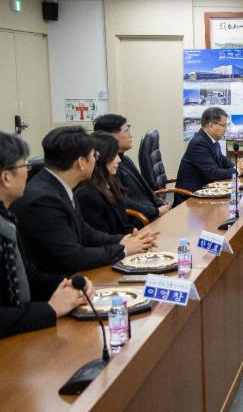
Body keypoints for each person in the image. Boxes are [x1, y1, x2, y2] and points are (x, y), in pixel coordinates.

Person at [12, 127, 157, 274]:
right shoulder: (44, 200)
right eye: (95, 155)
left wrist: (124, 239)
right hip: (58, 281)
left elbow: (85, 232)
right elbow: (74, 257)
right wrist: (124, 249)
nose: (96, 160)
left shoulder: (60, 185)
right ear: (81, 162)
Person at [0, 131, 94, 338]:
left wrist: (67, 286)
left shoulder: (6, 220)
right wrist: (51, 309)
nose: (29, 173)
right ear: (6, 178)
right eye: (25, 167)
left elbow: (29, 275)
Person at [93, 114, 170, 225]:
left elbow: (146, 188)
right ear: (111, 137)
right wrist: (156, 211)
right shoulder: (109, 168)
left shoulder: (125, 159)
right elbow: (123, 201)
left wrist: (159, 204)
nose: (130, 135)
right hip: (141, 220)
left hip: (152, 213)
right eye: (126, 131)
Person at [175, 107, 243, 205]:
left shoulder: (212, 140)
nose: (226, 129)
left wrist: (237, 166)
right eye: (223, 125)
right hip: (190, 200)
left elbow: (223, 162)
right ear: (211, 125)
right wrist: (238, 170)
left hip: (206, 192)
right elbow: (212, 173)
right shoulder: (199, 143)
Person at [75, 132, 133, 235]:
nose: (119, 160)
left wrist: (136, 236)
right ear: (100, 159)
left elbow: (124, 224)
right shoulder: (87, 195)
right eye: (114, 155)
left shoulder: (110, 182)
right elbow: (100, 237)